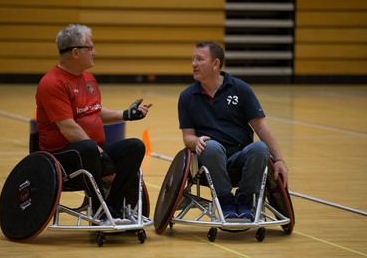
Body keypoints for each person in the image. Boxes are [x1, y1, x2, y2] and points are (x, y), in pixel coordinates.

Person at [35, 24, 152, 219]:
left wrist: (125, 114)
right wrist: (101, 155)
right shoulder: (52, 83)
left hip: (91, 151)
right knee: (88, 148)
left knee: (135, 146)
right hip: (62, 156)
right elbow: (68, 127)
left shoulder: (88, 78)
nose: (94, 52)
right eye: (90, 48)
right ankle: (101, 208)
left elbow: (94, 112)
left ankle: (109, 208)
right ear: (75, 52)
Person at [178, 41, 288, 221]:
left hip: (240, 157)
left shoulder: (240, 89)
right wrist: (195, 141)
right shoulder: (187, 97)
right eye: (193, 59)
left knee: (259, 148)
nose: (193, 64)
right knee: (212, 146)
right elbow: (187, 137)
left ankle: (245, 201)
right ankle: (225, 201)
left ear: (215, 64)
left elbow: (261, 127)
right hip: (209, 160)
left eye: (199, 59)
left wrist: (280, 160)